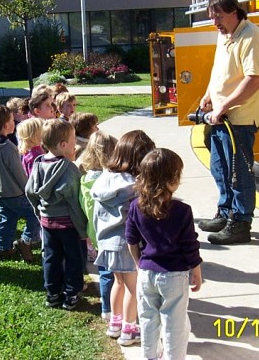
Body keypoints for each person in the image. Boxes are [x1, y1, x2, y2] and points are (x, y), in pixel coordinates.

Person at [197, 0, 259, 245]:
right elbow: (218, 70)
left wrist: (224, 106)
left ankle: (241, 222)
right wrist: (209, 95)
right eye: (212, 17)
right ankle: (226, 211)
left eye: (218, 16)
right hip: (221, 116)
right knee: (220, 167)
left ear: (234, 12)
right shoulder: (225, 35)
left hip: (239, 118)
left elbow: (254, 80)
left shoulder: (251, 36)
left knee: (238, 172)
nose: (214, 22)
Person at [126, 148, 203, 360]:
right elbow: (190, 245)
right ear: (173, 179)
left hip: (146, 273)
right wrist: (196, 270)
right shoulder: (182, 211)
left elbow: (131, 239)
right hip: (174, 275)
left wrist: (139, 263)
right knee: (174, 325)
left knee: (148, 319)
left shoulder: (135, 206)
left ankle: (149, 356)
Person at [91, 130, 155, 346]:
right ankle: (129, 329)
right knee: (133, 288)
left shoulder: (103, 180)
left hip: (106, 243)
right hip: (127, 245)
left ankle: (115, 324)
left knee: (117, 283)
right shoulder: (134, 187)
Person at [25, 119, 87, 311]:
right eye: (73, 139)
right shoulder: (69, 169)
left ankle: (53, 294)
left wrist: (39, 211)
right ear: (63, 145)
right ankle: (72, 294)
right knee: (74, 259)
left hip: (47, 222)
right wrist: (82, 229)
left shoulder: (38, 163)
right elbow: (75, 203)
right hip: (69, 225)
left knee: (51, 257)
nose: (75, 142)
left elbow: (29, 191)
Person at [0, 104, 40, 261]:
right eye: (13, 121)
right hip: (14, 192)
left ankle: (3, 248)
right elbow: (18, 173)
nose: (15, 123)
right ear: (6, 125)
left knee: (7, 218)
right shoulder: (8, 148)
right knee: (34, 213)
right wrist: (29, 191)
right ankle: (26, 241)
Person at [78, 130, 118, 320]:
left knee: (104, 271)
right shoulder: (108, 181)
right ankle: (113, 306)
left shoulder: (84, 179)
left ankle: (106, 308)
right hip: (109, 231)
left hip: (93, 231)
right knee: (114, 273)